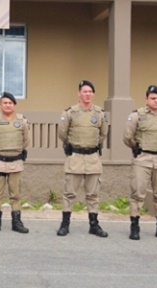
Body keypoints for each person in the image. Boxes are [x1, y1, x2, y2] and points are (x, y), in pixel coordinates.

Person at [57, 80, 109, 238]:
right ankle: (65, 224)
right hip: (76, 157)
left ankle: (94, 225)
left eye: (90, 92)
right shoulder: (70, 113)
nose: (88, 94)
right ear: (79, 93)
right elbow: (62, 133)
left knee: (93, 194)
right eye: (85, 91)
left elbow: (103, 134)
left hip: (93, 158)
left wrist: (93, 145)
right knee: (69, 193)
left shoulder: (99, 113)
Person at [123, 85, 157, 241]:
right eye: (153, 98)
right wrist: (136, 148)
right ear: (146, 99)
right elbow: (127, 136)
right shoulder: (136, 116)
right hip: (143, 159)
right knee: (138, 194)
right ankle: (135, 226)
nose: (156, 101)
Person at [0, 92, 30, 234]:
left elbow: (26, 140)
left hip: (16, 162)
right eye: (5, 103)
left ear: (14, 105)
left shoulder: (22, 121)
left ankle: (17, 222)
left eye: (10, 103)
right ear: (0, 105)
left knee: (15, 194)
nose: (8, 105)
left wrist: (16, 151)